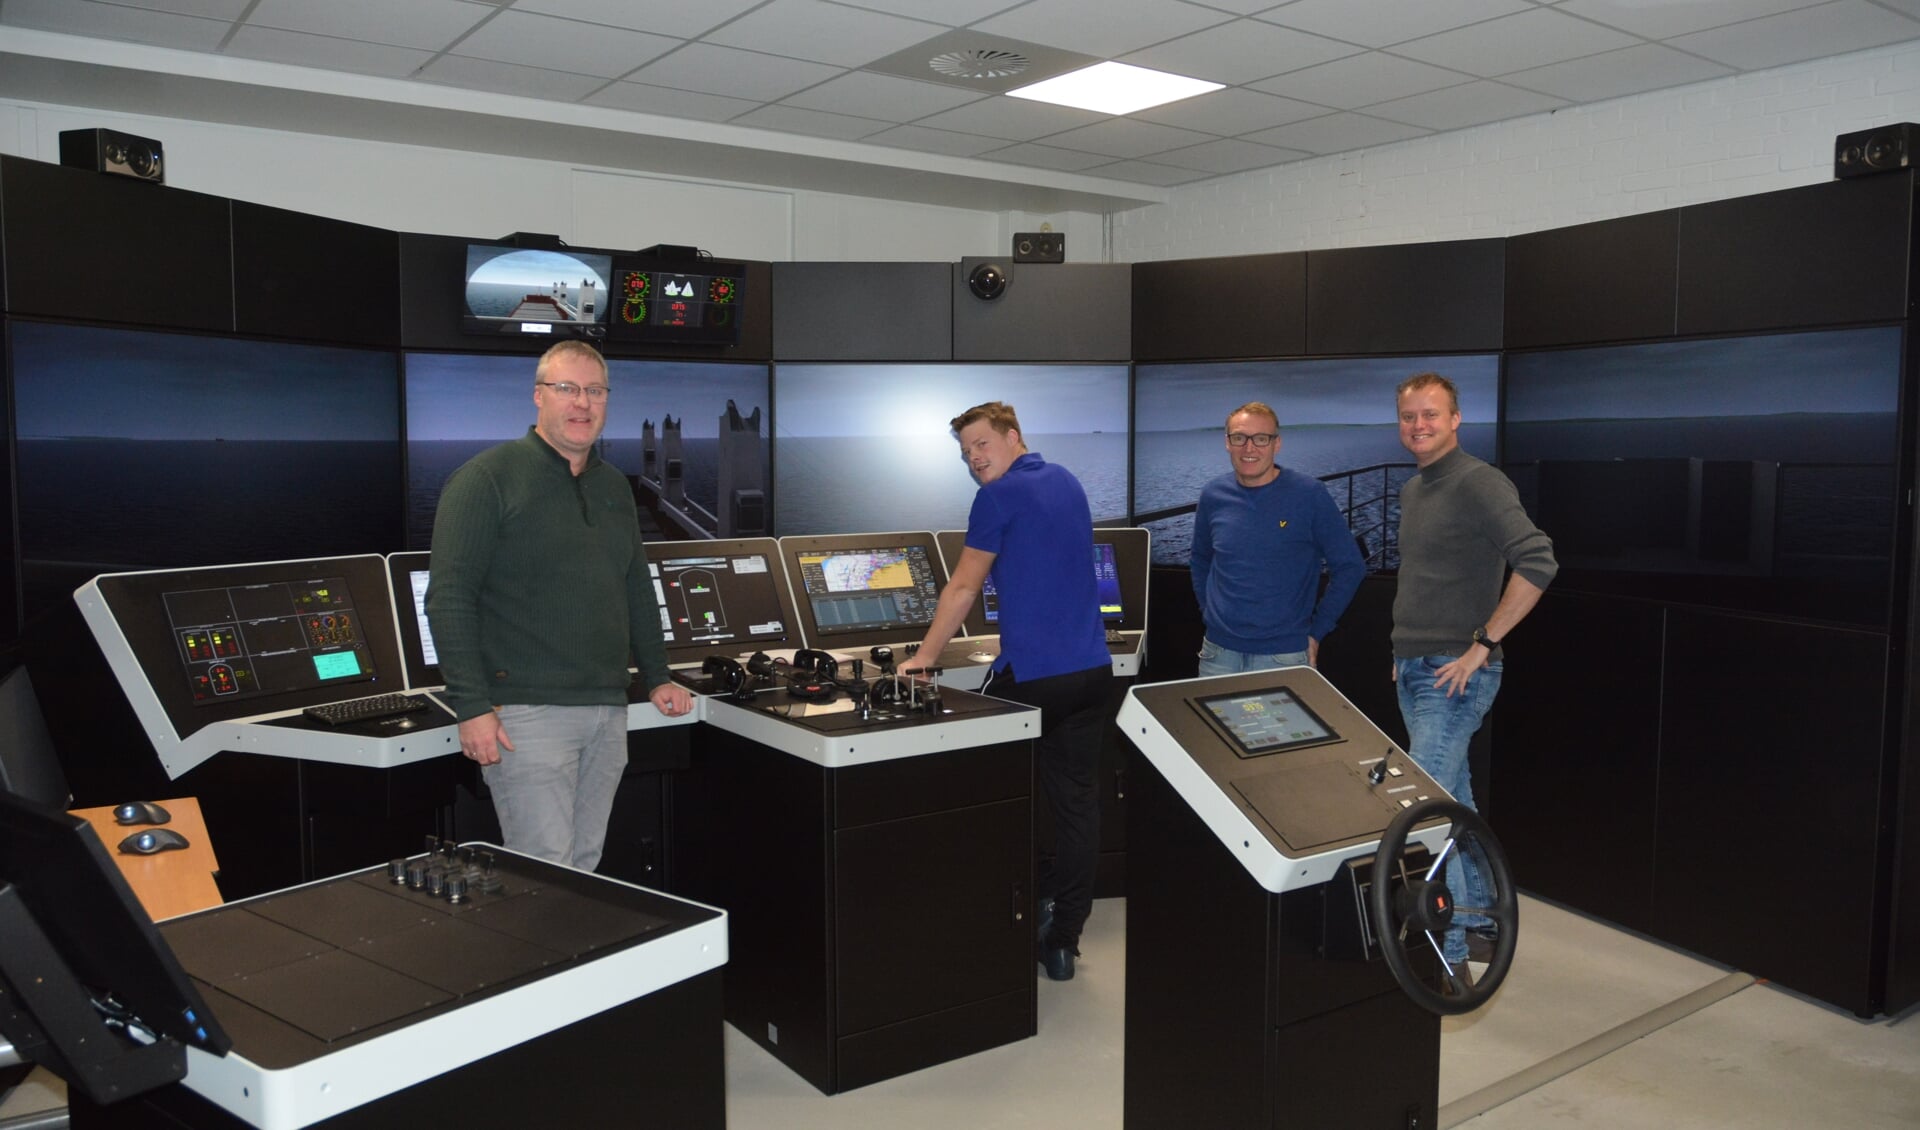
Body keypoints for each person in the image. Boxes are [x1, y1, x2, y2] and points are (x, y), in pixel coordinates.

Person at [426, 339, 693, 872]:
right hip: (526, 711)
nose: (582, 403)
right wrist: (472, 705)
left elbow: (635, 587)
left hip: (606, 709)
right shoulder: (485, 479)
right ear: (538, 397)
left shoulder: (614, 487)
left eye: (594, 391)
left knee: (584, 866)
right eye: (567, 388)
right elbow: (449, 597)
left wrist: (658, 675)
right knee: (544, 870)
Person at [903, 401, 1113, 982]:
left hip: (1038, 680)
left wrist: (922, 660)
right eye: (965, 453)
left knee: (987, 795)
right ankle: (1063, 938)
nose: (974, 460)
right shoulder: (1066, 480)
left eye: (981, 445)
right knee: (1076, 810)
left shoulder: (996, 497)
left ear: (1013, 437)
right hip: (1092, 675)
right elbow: (1046, 570)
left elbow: (964, 587)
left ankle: (993, 918)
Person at [1392, 372, 1556, 963]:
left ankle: (1450, 950)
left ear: (1456, 420)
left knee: (1423, 810)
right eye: (1410, 417)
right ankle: (1486, 915)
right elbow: (1422, 581)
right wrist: (1402, 651)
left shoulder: (1479, 482)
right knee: (1453, 800)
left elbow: (1538, 561)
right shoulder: (1416, 489)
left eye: (1431, 415)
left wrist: (1483, 645)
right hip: (1415, 668)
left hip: (1454, 675)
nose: (1419, 426)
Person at [1191, 401, 1365, 676]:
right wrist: (1208, 611)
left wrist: (1318, 630)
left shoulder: (1309, 495)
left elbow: (1350, 566)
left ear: (1277, 443)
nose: (1249, 448)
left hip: (1284, 656)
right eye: (1239, 438)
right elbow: (1201, 559)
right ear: (1227, 442)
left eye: (1261, 438)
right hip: (1217, 654)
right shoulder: (1213, 495)